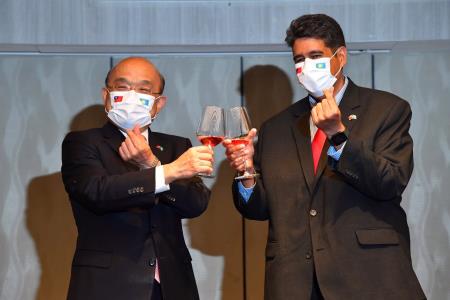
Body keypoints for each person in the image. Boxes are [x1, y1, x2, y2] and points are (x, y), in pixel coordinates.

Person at [223, 14, 426, 300]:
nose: (305, 67)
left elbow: (390, 182)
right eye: (299, 59)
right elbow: (258, 210)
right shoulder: (276, 128)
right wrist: (246, 174)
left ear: (340, 57)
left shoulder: (386, 109)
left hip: (368, 277)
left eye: (315, 56)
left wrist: (338, 136)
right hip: (296, 283)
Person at [61, 57, 213, 300]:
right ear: (106, 95)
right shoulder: (83, 142)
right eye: (122, 87)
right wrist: (167, 171)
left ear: (159, 103)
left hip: (173, 285)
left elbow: (195, 204)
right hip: (108, 285)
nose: (132, 96)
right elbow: (97, 193)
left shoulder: (175, 145)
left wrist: (152, 163)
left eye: (143, 90)